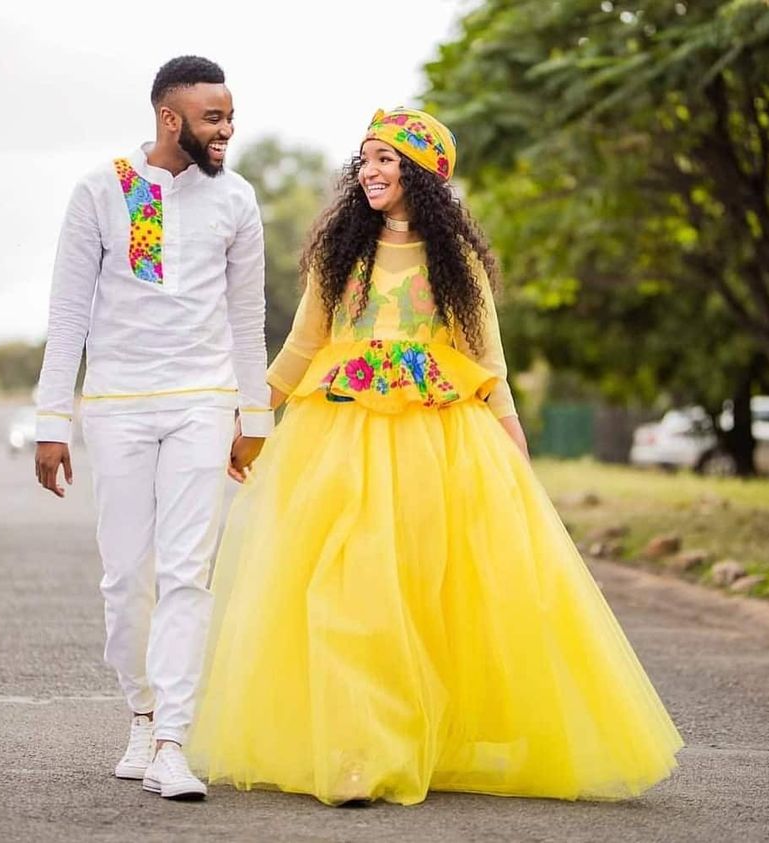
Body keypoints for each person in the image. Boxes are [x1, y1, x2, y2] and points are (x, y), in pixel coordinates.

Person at [187, 107, 683, 806]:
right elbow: (301, 346)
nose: (370, 171)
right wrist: (251, 416)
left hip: (437, 445)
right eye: (363, 160)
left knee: (420, 595)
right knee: (349, 592)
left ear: (420, 173)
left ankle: (426, 738)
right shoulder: (340, 256)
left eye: (385, 159)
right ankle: (359, 754)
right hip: (340, 444)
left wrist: (511, 440)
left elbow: (487, 358)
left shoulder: (458, 264)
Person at [34, 55, 273, 801]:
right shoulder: (102, 189)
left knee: (184, 575)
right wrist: (52, 420)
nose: (227, 129)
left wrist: (253, 415)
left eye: (230, 116)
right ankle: (139, 711)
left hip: (203, 402)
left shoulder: (236, 199)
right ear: (170, 119)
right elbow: (69, 311)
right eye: (213, 117)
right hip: (116, 407)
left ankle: (173, 738)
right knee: (124, 576)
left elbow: (245, 318)